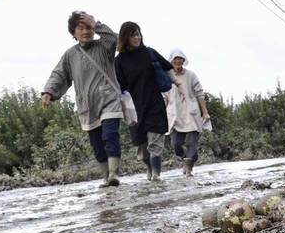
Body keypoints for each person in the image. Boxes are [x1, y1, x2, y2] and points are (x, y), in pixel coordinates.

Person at [41, 11, 123, 188]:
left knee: (110, 135)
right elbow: (59, 74)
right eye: (81, 28)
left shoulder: (103, 47)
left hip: (109, 99)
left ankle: (114, 173)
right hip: (87, 105)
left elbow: (115, 39)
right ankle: (105, 176)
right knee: (96, 143)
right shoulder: (70, 55)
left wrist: (97, 24)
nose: (86, 31)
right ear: (73, 32)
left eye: (89, 28)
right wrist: (48, 92)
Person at [114, 22, 182, 181]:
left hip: (154, 102)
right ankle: (150, 168)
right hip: (134, 107)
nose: (137, 37)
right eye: (133, 35)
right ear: (125, 37)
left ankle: (157, 175)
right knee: (142, 147)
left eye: (138, 34)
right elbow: (119, 86)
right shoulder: (120, 60)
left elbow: (167, 67)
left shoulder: (149, 52)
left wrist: (175, 81)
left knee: (155, 141)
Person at [164, 48, 210, 176]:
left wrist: (205, 112)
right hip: (174, 113)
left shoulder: (191, 75)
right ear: (171, 61)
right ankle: (187, 158)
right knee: (176, 144)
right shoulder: (167, 76)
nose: (178, 61)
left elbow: (200, 93)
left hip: (190, 112)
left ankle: (188, 167)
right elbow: (163, 96)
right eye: (175, 59)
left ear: (183, 61)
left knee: (192, 142)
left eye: (180, 59)